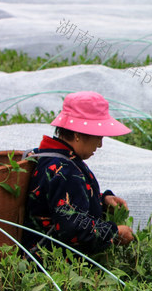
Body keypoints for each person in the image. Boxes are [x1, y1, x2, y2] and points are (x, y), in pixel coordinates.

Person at [21, 91, 135, 259]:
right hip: (52, 263)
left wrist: (102, 201)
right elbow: (74, 229)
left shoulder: (47, 156)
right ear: (78, 135)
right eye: (98, 137)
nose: (100, 145)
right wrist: (113, 233)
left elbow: (60, 203)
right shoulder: (65, 171)